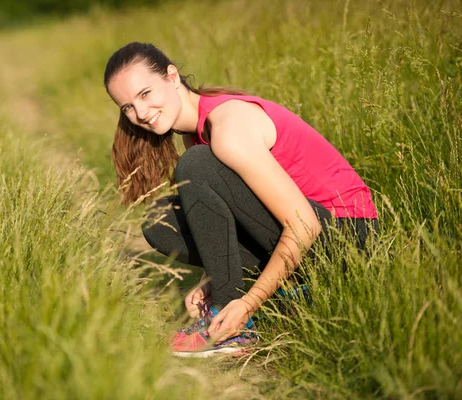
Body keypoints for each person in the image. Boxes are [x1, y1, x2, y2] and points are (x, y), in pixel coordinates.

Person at [103, 42, 378, 357]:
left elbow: (305, 226)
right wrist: (213, 280)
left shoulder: (227, 127)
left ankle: (231, 324)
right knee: (160, 223)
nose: (139, 114)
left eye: (145, 94)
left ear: (172, 77)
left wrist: (246, 303)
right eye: (126, 107)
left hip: (350, 243)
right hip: (315, 239)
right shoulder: (198, 135)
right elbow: (228, 221)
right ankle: (291, 295)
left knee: (195, 164)